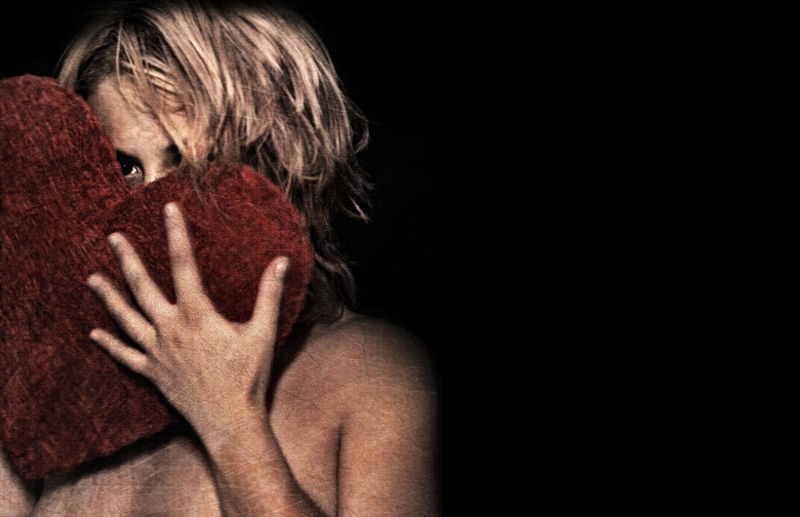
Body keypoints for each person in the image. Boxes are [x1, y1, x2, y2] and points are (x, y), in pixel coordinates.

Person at [0, 1, 439, 515]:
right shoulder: (56, 386)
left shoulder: (371, 372)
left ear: (284, 162)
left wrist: (228, 418)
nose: (151, 205)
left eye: (191, 164)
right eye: (126, 167)